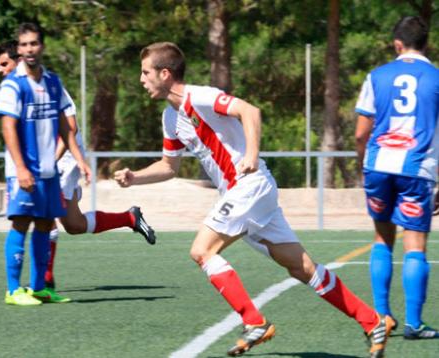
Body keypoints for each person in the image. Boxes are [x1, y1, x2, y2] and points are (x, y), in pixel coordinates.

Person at [114, 42, 394, 357]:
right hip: (245, 193)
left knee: (201, 250)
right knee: (300, 266)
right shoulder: (170, 117)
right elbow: (169, 167)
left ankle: (254, 322)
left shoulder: (201, 97)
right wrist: (135, 177)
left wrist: (251, 153)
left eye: (145, 72)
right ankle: (372, 321)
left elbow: (250, 111)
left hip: (249, 185)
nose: (141, 79)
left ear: (164, 74)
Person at [0, 39, 156, 290]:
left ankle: (45, 283)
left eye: (4, 63)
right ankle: (129, 218)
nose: (0, 69)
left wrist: (46, 164)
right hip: (51, 159)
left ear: (18, 61)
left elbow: (68, 129)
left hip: (64, 157)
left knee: (45, 215)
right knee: (75, 225)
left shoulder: (44, 84)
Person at [0, 23, 90, 306]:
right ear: (19, 50)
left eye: (33, 44)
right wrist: (21, 168)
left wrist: (80, 159)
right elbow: (8, 127)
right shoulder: (13, 84)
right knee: (21, 224)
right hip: (24, 170)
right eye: (23, 45)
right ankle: (13, 290)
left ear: (42, 46)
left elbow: (64, 123)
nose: (28, 50)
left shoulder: (53, 82)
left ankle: (38, 288)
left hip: (50, 169)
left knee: (46, 225)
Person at [355, 16, 439, 340]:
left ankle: (381, 317)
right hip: (417, 168)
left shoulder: (376, 76)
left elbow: (362, 132)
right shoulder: (435, 78)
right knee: (414, 244)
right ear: (426, 45)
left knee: (382, 238)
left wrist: (363, 162)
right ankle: (414, 324)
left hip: (379, 165)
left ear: (397, 44)